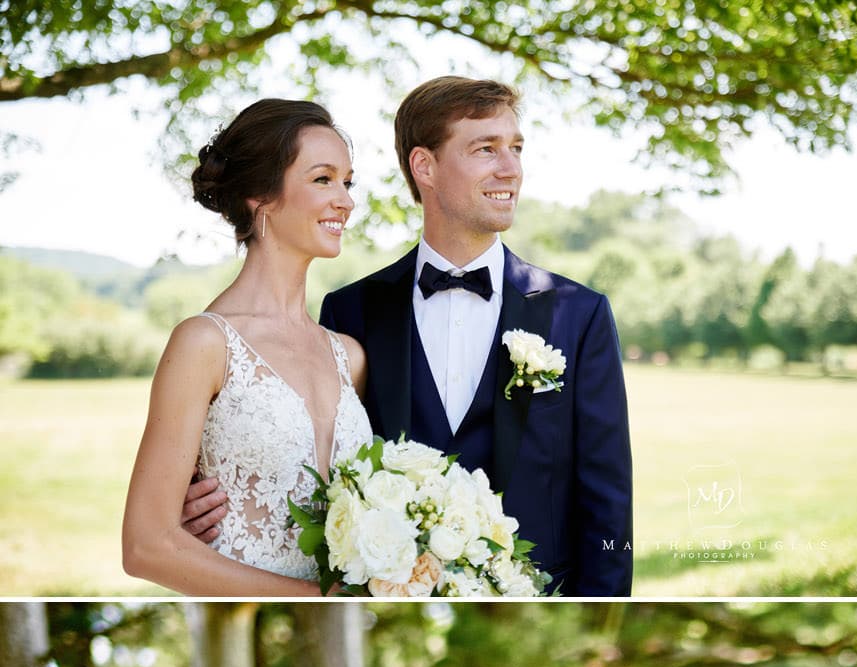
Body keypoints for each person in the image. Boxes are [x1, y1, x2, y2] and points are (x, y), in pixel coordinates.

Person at [180, 78, 634, 595]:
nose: (510, 168)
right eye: (486, 149)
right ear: (425, 167)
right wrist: (205, 507)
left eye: (516, 149)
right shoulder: (350, 313)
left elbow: (609, 509)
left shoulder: (579, 314)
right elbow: (314, 471)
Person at [121, 99, 372, 593]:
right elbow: (145, 546)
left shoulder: (350, 356)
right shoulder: (204, 344)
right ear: (261, 196)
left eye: (348, 181)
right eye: (323, 179)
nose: (345, 199)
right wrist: (316, 599)